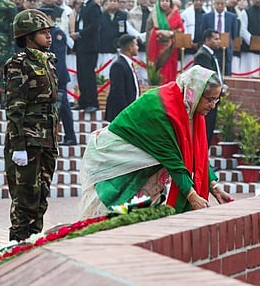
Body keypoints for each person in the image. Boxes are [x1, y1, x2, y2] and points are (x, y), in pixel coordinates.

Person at [79, 65, 234, 218]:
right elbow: (172, 158)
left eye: (216, 100)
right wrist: (192, 196)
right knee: (115, 206)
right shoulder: (163, 109)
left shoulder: (189, 108)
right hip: (120, 159)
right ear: (195, 93)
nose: (213, 106)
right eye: (210, 100)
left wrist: (214, 187)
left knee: (142, 211)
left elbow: (195, 153)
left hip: (148, 165)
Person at [4, 9, 58, 241]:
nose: (49, 37)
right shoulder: (18, 64)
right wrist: (18, 146)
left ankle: (34, 243)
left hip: (47, 137)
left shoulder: (48, 61)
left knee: (41, 196)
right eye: (43, 33)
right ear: (28, 36)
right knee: (25, 198)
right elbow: (15, 107)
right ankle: (18, 246)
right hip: (27, 138)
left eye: (49, 32)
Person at [39, 7, 77, 146]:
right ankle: (65, 136)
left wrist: (55, 77)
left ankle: (70, 136)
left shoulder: (57, 34)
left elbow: (59, 59)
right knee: (58, 107)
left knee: (63, 107)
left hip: (57, 77)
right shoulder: (42, 34)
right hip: (46, 76)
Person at [70, 0, 101, 113]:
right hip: (81, 46)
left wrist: (80, 34)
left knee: (88, 75)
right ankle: (83, 101)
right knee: (81, 75)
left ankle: (92, 102)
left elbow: (94, 26)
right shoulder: (83, 6)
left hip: (89, 46)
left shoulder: (94, 6)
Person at [146, 0, 184, 84]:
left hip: (170, 49)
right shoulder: (154, 15)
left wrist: (171, 33)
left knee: (169, 71)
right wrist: (159, 32)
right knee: (157, 73)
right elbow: (149, 30)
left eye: (167, 1)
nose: (165, 3)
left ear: (170, 3)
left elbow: (181, 29)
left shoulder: (175, 14)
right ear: (159, 2)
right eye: (162, 1)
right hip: (156, 48)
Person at [194, 29, 222, 146]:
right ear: (207, 40)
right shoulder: (202, 55)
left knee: (209, 130)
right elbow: (207, 80)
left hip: (212, 99)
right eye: (215, 39)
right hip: (207, 99)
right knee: (206, 131)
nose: (218, 41)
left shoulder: (210, 54)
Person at [201, 0, 238, 76]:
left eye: (222, 3)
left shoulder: (232, 17)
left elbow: (234, 34)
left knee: (226, 71)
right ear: (214, 4)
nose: (220, 6)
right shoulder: (206, 17)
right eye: (218, 3)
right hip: (212, 47)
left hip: (226, 48)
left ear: (225, 4)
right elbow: (203, 32)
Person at [105, 34, 140, 122]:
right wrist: (125, 114)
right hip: (122, 115)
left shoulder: (127, 64)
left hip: (130, 113)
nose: (138, 48)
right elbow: (118, 93)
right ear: (130, 48)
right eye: (136, 45)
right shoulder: (119, 65)